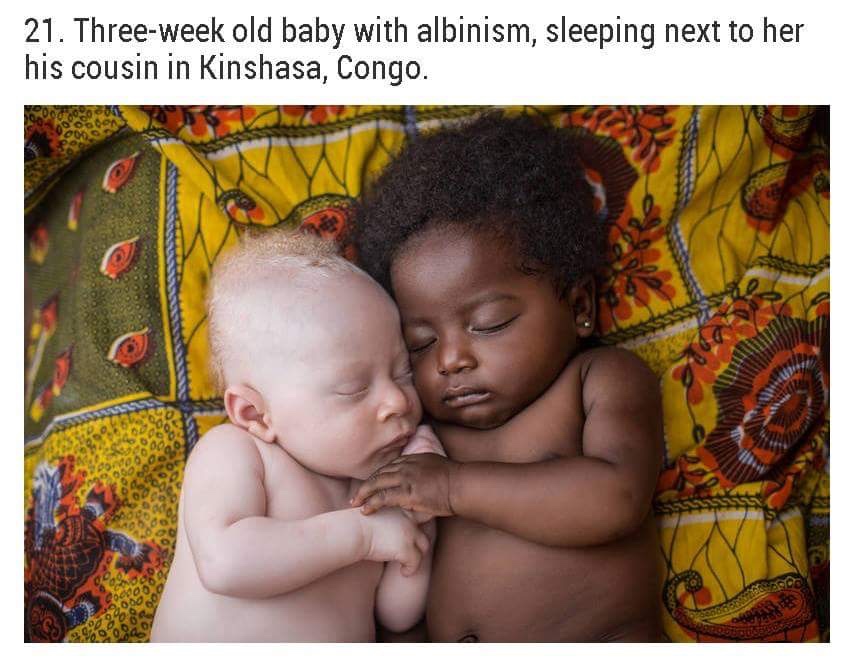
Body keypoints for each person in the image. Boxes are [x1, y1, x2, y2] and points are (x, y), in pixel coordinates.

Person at [350, 112, 664, 642]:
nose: (449, 360)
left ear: (580, 304)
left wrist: (452, 488)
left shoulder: (597, 381)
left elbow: (617, 498)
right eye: (420, 343)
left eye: (489, 324)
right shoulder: (420, 428)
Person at [150, 229, 443, 642]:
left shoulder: (375, 488)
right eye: (354, 389)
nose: (398, 399)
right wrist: (362, 536)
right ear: (256, 414)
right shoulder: (238, 452)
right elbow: (225, 562)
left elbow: (395, 613)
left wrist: (418, 523)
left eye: (403, 373)